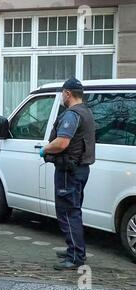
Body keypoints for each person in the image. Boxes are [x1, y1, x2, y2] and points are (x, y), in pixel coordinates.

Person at [40, 77, 96, 270]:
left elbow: (62, 142)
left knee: (67, 212)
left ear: (68, 93)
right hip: (80, 169)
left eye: (63, 94)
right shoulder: (87, 112)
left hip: (68, 170)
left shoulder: (72, 114)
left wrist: (45, 149)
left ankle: (75, 257)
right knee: (74, 211)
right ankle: (75, 249)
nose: (62, 97)